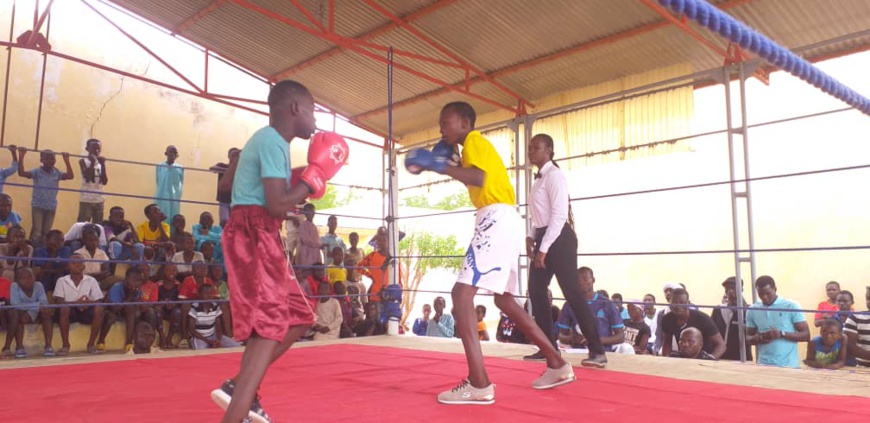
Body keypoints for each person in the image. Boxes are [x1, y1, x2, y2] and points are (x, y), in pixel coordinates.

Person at [405, 101, 573, 405]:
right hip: (504, 218)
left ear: (465, 124)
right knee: (504, 299)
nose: (441, 127)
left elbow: (478, 178)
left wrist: (439, 164)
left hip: (494, 218)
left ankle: (479, 383)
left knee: (461, 294)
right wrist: (447, 159)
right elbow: (474, 174)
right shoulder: (467, 147)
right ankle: (557, 363)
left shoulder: (475, 141)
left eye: (446, 122)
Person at [210, 80, 347, 423]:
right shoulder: (272, 141)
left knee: (300, 317)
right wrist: (310, 180)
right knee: (268, 327)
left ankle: (239, 385)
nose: (315, 120)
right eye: (313, 109)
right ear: (295, 108)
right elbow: (274, 205)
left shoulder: (267, 142)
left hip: (258, 233)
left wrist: (298, 179)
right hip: (255, 234)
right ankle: (238, 408)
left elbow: (230, 188)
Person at [523, 133, 606, 367]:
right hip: (544, 236)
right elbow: (539, 214)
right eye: (529, 147)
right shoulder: (538, 179)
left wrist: (544, 249)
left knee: (572, 293)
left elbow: (559, 215)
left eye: (536, 147)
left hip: (559, 238)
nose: (531, 151)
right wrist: (531, 237)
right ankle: (548, 347)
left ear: (549, 150)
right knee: (536, 290)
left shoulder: (555, 176)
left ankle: (598, 351)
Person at [745, 276, 810, 368]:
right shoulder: (752, 310)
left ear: (775, 289)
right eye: (760, 294)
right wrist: (760, 338)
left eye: (768, 293)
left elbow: (806, 335)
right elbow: (748, 338)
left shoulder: (791, 306)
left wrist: (781, 334)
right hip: (763, 365)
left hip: (789, 366)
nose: (764, 297)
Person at [17, 148, 74, 246]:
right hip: (38, 205)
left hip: (51, 206)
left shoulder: (56, 172)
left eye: (52, 158)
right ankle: (32, 252)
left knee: (46, 232)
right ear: (42, 160)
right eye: (47, 159)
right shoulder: (37, 171)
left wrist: (66, 160)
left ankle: (41, 251)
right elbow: (22, 173)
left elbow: (70, 176)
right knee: (37, 231)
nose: (50, 161)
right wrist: (21, 157)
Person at [710, 277, 753, 361]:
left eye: (733, 288)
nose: (730, 291)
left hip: (742, 357)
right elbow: (711, 332)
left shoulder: (748, 310)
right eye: (727, 289)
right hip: (721, 356)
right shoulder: (718, 310)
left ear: (741, 290)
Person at [78, 138, 108, 223]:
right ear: (87, 149)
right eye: (94, 148)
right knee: (83, 224)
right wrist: (92, 163)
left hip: (99, 199)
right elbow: (87, 178)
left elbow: (105, 181)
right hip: (86, 199)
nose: (96, 151)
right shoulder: (83, 161)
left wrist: (103, 165)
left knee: (98, 224)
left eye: (98, 148)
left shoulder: (100, 163)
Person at [210, 148, 241, 227]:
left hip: (236, 199)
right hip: (223, 199)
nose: (234, 157)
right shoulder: (222, 165)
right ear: (229, 156)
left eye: (236, 155)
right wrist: (226, 170)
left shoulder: (240, 168)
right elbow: (212, 169)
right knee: (224, 220)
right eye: (232, 155)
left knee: (235, 221)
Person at [155, 145, 184, 224]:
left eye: (174, 153)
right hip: (162, 195)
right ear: (166, 153)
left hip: (174, 198)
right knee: (161, 215)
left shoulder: (180, 168)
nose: (172, 154)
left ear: (177, 155)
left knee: (173, 217)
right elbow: (158, 181)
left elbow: (180, 183)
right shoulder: (160, 166)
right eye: (170, 152)